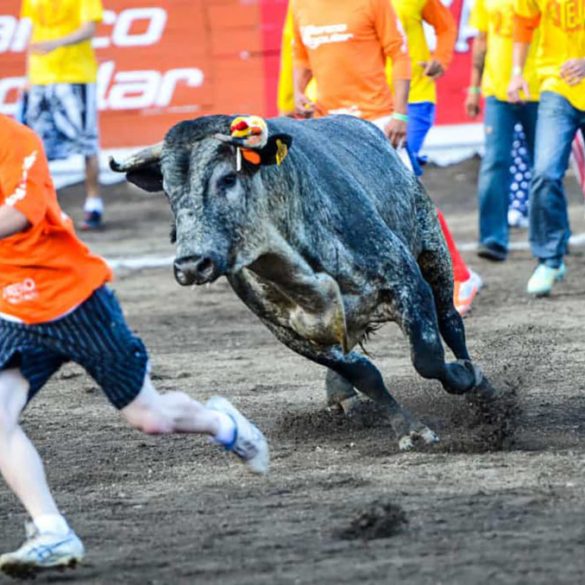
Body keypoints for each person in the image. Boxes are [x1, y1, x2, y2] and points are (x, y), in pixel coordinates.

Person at [0, 114, 269, 579]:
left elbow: (22, 213)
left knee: (150, 418)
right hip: (15, 312)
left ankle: (223, 424)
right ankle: (52, 531)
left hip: (74, 302)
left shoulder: (15, 140)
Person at [286, 0, 481, 316]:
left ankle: (461, 277)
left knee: (413, 202)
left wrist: (400, 114)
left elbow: (399, 54)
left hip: (375, 118)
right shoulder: (300, 5)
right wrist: (298, 92)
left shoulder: (373, 3)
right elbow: (301, 56)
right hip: (327, 123)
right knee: (331, 207)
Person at [508, 0, 585, 295]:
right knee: (544, 172)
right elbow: (523, 22)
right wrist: (517, 72)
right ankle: (550, 259)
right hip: (557, 86)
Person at [20, 0, 105, 230]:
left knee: (86, 141)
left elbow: (88, 29)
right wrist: (28, 76)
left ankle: (94, 203)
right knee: (38, 146)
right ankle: (45, 207)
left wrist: (55, 43)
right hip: (40, 77)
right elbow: (33, 34)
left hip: (75, 74)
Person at [466, 0, 540, 262]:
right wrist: (474, 88)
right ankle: (492, 239)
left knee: (545, 167)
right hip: (498, 91)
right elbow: (481, 42)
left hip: (538, 88)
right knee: (495, 162)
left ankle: (553, 236)